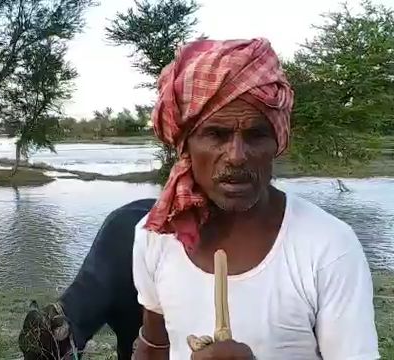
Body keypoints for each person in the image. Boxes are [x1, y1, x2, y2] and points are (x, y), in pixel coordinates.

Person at [132, 38, 379, 359]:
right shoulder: (155, 237)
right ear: (185, 145)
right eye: (216, 134)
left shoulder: (329, 246)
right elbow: (154, 348)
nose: (236, 156)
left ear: (276, 142)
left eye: (256, 135)